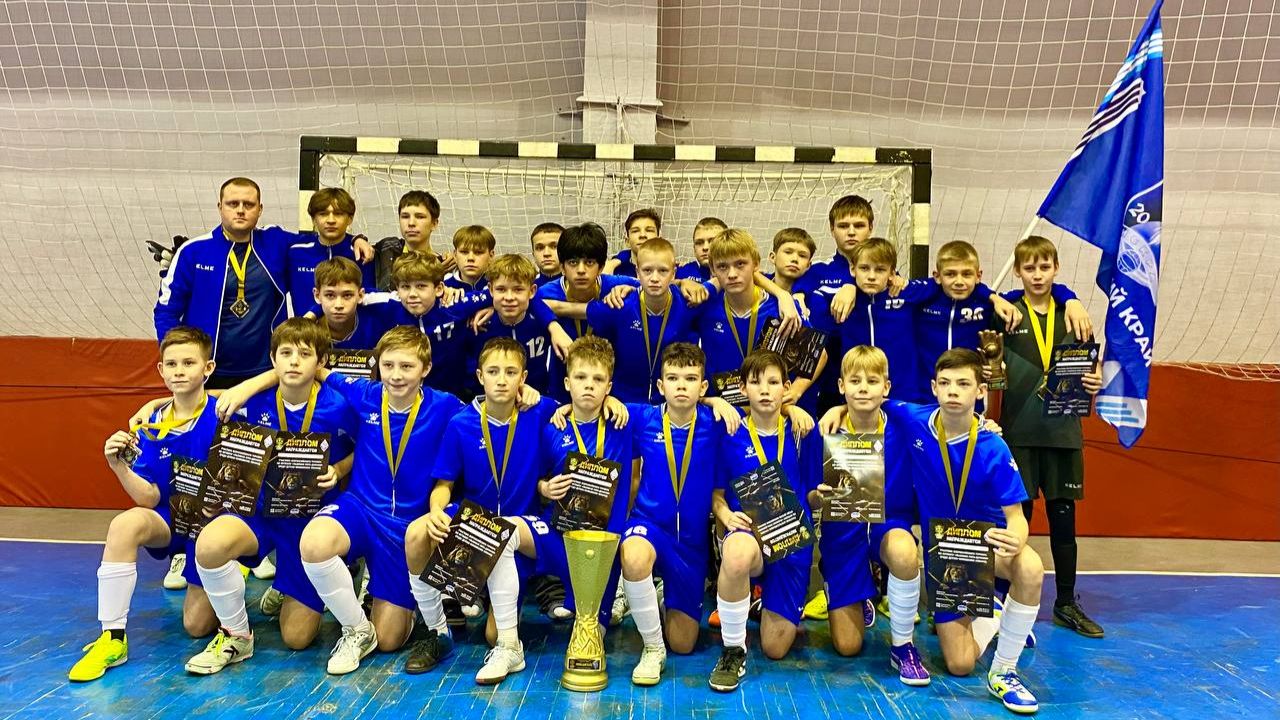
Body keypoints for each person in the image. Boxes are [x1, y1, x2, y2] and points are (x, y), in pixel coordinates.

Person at [183, 319, 355, 674]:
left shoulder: (339, 406)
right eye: (286, 353)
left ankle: (304, 581)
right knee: (210, 546)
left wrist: (338, 470)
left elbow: (366, 447)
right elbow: (193, 401)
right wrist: (149, 407)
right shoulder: (249, 401)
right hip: (258, 513)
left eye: (304, 354)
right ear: (273, 360)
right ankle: (237, 635)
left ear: (321, 361)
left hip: (307, 522)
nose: (294, 361)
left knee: (297, 638)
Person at [885, 349, 1045, 714]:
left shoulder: (993, 445)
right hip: (945, 556)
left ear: (980, 391)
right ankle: (994, 614)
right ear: (934, 387)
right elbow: (870, 399)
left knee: (1031, 567)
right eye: (945, 383)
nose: (953, 391)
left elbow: (1017, 517)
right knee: (959, 665)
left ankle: (1004, 672)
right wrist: (835, 410)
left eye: (963, 384)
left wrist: (1017, 537)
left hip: (985, 548)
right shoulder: (915, 419)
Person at [67, 327, 221, 682]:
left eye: (189, 363)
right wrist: (118, 466)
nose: (179, 371)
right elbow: (148, 497)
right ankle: (113, 637)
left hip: (213, 525)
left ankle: (229, 570)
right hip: (170, 519)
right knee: (125, 523)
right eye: (172, 364)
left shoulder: (226, 411)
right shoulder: (150, 423)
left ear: (208, 368)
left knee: (197, 627)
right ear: (161, 370)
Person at [406, 338, 559, 682]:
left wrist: (610, 400)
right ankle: (437, 631)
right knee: (416, 533)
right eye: (493, 372)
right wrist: (436, 510)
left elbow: (581, 405)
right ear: (479, 376)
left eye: (511, 372)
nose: (502, 380)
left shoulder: (539, 411)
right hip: (475, 527)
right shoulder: (461, 423)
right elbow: (443, 484)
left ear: (523, 378)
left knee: (492, 634)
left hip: (523, 527)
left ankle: (504, 633)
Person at [154, 177, 372, 389]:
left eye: (248, 204)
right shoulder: (193, 252)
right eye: (233, 204)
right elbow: (166, 311)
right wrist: (177, 357)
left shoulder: (275, 242)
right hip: (207, 370)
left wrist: (357, 239)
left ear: (260, 209)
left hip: (267, 370)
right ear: (220, 207)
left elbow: (322, 241)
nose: (241, 210)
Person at [998, 235, 1104, 638]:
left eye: (1045, 267)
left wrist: (1094, 379)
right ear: (1018, 271)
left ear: (1056, 268)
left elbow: (1090, 364)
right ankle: (1010, 604)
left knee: (1063, 519)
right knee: (1017, 520)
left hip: (1063, 431)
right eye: (1029, 268)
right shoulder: (1007, 312)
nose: (1038, 275)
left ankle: (1065, 603)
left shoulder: (1073, 315)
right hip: (1019, 432)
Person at [617, 342, 738, 685]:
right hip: (650, 525)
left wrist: (716, 402)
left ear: (703, 386)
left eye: (690, 378)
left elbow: (764, 409)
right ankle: (652, 649)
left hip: (691, 543)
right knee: (634, 554)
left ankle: (656, 595)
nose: (681, 385)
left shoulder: (716, 423)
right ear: (660, 385)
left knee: (683, 644)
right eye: (672, 378)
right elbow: (598, 402)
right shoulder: (642, 418)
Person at [709, 350, 821, 692]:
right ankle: (733, 649)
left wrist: (824, 498)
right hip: (751, 539)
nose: (765, 390)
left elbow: (814, 494)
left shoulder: (802, 431)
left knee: (775, 649)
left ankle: (761, 601)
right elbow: (716, 495)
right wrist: (725, 515)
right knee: (736, 553)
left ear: (786, 388)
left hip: (790, 544)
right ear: (743, 388)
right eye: (756, 383)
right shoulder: (729, 433)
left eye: (773, 382)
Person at [582, 237, 701, 403]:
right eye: (647, 271)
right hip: (623, 402)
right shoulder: (620, 304)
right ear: (637, 272)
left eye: (663, 271)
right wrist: (552, 321)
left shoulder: (689, 303)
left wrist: (686, 282)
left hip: (671, 403)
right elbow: (580, 311)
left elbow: (721, 287)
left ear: (674, 273)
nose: (654, 278)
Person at [465, 254, 555, 397]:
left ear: (532, 291)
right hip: (490, 401)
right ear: (490, 290)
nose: (509, 297)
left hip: (536, 399)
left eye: (518, 289)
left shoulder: (542, 322)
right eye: (501, 289)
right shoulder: (478, 325)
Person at [285, 187, 376, 314]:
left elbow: (369, 299)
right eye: (323, 214)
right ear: (313, 219)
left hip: (352, 327)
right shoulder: (295, 252)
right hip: (305, 326)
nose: (331, 220)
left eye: (338, 214)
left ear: (350, 218)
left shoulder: (361, 253)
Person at [374, 190, 453, 291]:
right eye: (405, 216)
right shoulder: (388, 247)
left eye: (420, 217)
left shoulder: (444, 264)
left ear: (434, 224)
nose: (411, 223)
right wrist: (358, 239)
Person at [604, 208, 662, 277]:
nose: (642, 235)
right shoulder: (615, 270)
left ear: (659, 239)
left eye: (649, 230)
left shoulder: (670, 270)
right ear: (627, 241)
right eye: (635, 231)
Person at [444, 225, 496, 292]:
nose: (470, 258)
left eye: (478, 252)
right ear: (455, 255)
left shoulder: (499, 285)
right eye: (464, 252)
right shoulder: (442, 286)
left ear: (491, 256)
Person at [766, 227, 816, 293]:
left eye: (802, 256)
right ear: (773, 257)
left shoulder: (816, 296)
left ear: (808, 265)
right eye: (788, 252)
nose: (795, 259)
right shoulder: (757, 288)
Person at [675, 217, 725, 282]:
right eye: (699, 243)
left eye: (712, 241)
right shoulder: (680, 272)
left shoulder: (735, 275)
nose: (705, 247)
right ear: (694, 249)